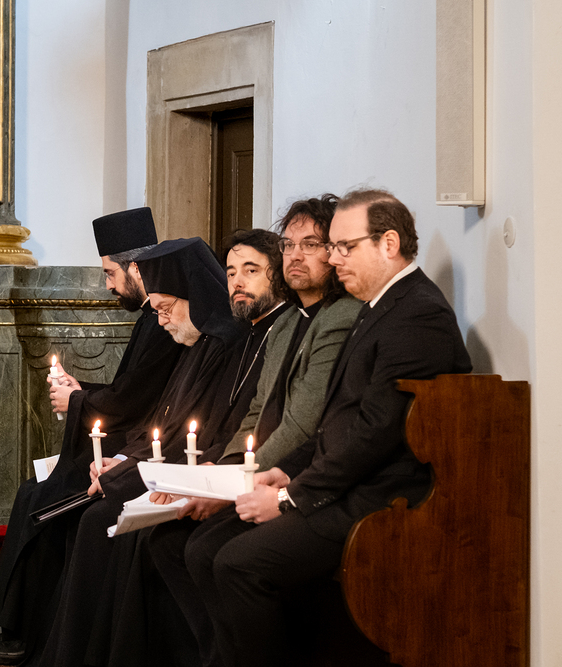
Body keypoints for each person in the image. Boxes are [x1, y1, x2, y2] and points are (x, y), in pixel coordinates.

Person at [180, 188, 472, 667]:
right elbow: (335, 424)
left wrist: (289, 497)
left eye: (343, 247)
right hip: (346, 483)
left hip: (382, 497)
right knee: (206, 548)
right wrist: (284, 473)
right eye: (332, 248)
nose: (334, 260)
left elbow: (377, 434)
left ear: (389, 243)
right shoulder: (379, 306)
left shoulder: (418, 314)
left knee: (237, 563)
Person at [37, 236, 287, 666]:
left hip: (219, 475)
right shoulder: (204, 342)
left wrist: (140, 472)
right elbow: (162, 424)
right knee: (78, 506)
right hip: (186, 468)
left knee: (114, 520)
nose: (162, 319)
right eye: (231, 272)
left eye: (166, 308)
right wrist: (121, 463)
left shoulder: (229, 340)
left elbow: (216, 431)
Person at [145, 194, 360, 667]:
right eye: (289, 245)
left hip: (302, 479)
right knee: (167, 541)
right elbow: (256, 414)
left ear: (334, 252)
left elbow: (301, 423)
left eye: (311, 244)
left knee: (207, 549)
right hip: (260, 472)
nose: (296, 256)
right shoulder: (287, 324)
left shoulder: (341, 318)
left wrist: (227, 488)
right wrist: (215, 479)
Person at [0, 208, 182, 665]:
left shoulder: (165, 323)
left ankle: (29, 635)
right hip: (127, 445)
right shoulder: (152, 318)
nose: (107, 285)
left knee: (44, 503)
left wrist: (78, 400)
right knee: (33, 492)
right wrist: (80, 393)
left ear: (135, 268)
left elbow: (134, 401)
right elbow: (129, 391)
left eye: (110, 273)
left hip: (138, 452)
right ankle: (19, 629)